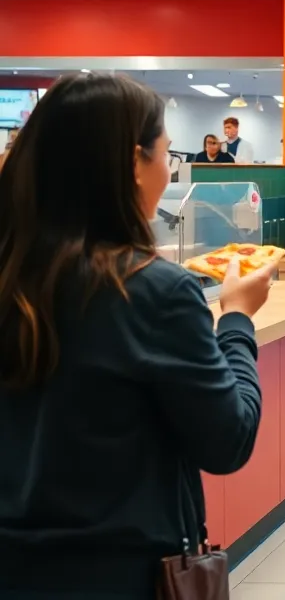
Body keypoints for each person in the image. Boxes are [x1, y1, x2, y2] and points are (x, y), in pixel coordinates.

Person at [0, 74, 270, 598]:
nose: (168, 176)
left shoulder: (13, 276)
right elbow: (228, 440)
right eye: (166, 158)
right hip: (119, 570)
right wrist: (237, 320)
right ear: (132, 163)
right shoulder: (153, 291)